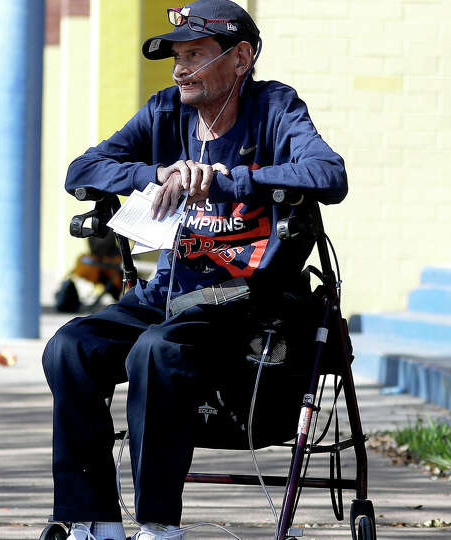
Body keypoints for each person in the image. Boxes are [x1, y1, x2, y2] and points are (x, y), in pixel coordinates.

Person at [41, 2, 348, 539]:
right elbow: (84, 168)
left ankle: (159, 526)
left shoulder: (275, 106)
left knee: (156, 350)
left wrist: (229, 179)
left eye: (195, 55)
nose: (180, 68)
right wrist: (158, 173)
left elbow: (329, 173)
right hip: (169, 290)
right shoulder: (165, 112)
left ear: (241, 57)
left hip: (246, 295)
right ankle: (94, 521)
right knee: (71, 348)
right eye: (176, 56)